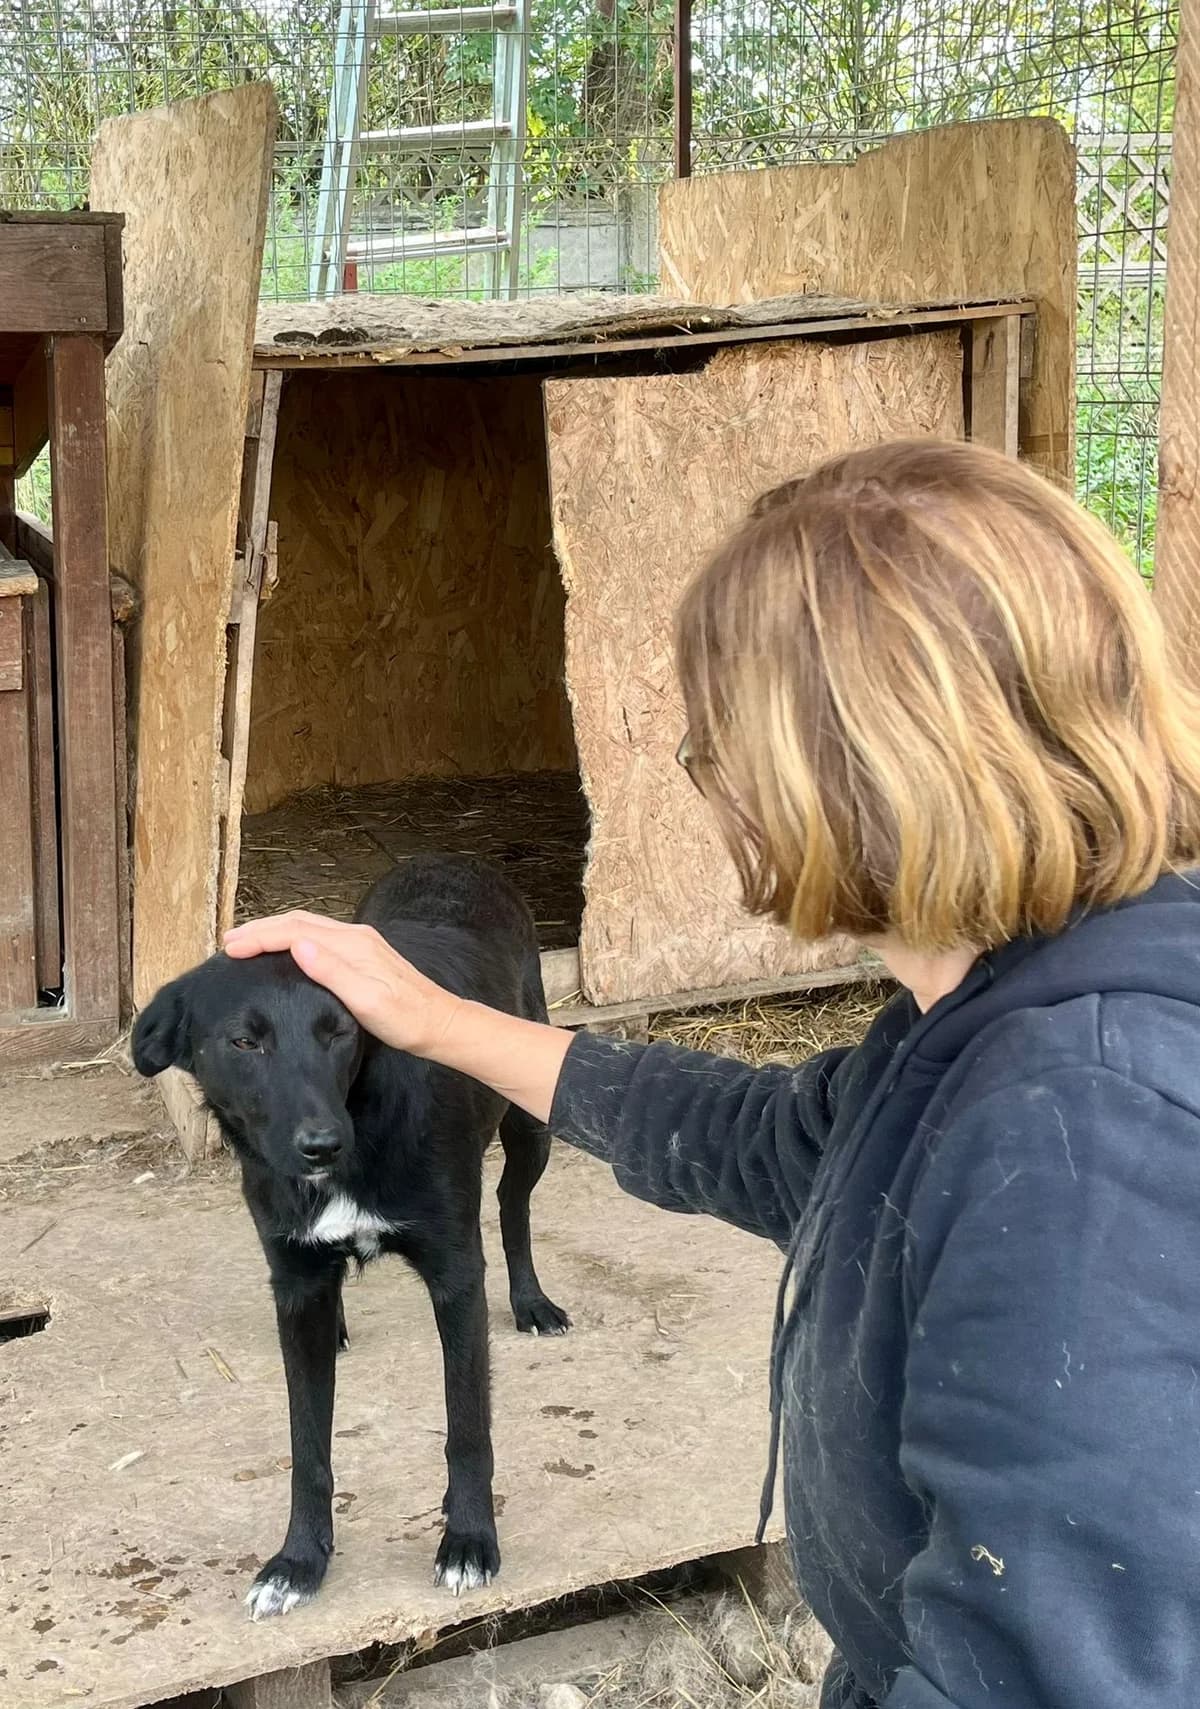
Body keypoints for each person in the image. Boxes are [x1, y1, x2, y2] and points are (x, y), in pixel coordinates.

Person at [223, 438, 1200, 1709]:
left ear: (849, 771)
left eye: (711, 750)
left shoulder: (1078, 1128)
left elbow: (1045, 1671)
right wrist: (432, 1015)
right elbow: (777, 1142)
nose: (710, 789)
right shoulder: (997, 1004)